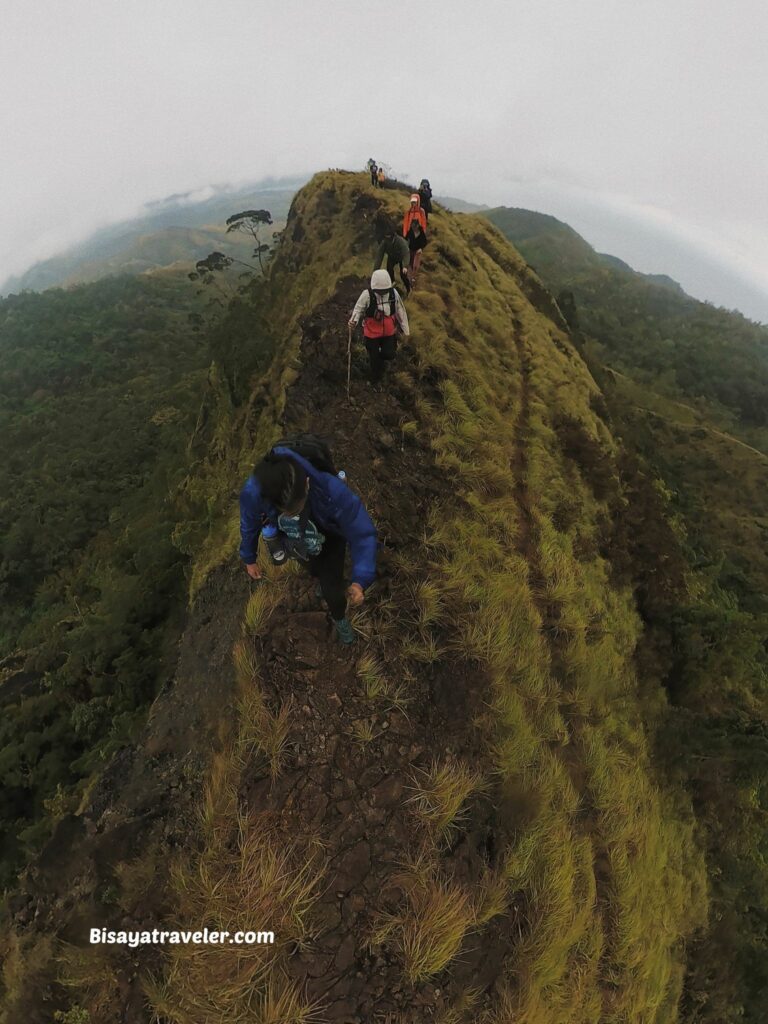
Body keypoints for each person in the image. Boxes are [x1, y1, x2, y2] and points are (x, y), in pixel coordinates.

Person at [239, 440, 378, 645]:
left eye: (297, 507)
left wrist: (360, 580)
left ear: (307, 483)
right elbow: (249, 524)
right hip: (296, 540)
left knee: (333, 590)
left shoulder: (330, 489)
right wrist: (249, 558)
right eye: (286, 510)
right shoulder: (254, 493)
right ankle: (320, 579)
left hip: (329, 537)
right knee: (311, 567)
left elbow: (362, 532)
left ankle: (340, 619)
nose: (293, 513)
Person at [349, 269, 409, 387]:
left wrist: (406, 330)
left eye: (384, 290)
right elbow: (358, 309)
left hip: (388, 332)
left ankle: (380, 362)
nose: (382, 293)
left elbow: (400, 310)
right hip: (371, 333)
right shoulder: (367, 295)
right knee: (374, 358)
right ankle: (375, 379)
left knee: (389, 354)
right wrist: (353, 321)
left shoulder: (393, 294)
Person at [372, 226, 412, 295]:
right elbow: (379, 255)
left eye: (389, 238)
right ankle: (392, 284)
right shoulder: (384, 242)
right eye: (386, 238)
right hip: (392, 257)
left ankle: (409, 289)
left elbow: (406, 253)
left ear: (393, 237)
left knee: (403, 274)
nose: (388, 240)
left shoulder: (400, 241)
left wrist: (405, 266)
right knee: (389, 270)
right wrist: (375, 270)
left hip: (401, 257)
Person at [402, 194, 428, 282]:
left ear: (418, 202)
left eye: (415, 202)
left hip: (418, 236)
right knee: (410, 257)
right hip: (410, 237)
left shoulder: (421, 211)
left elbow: (424, 223)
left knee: (416, 259)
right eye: (412, 202)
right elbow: (405, 223)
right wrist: (405, 235)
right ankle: (410, 276)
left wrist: (423, 235)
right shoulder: (408, 212)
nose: (413, 204)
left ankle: (414, 276)